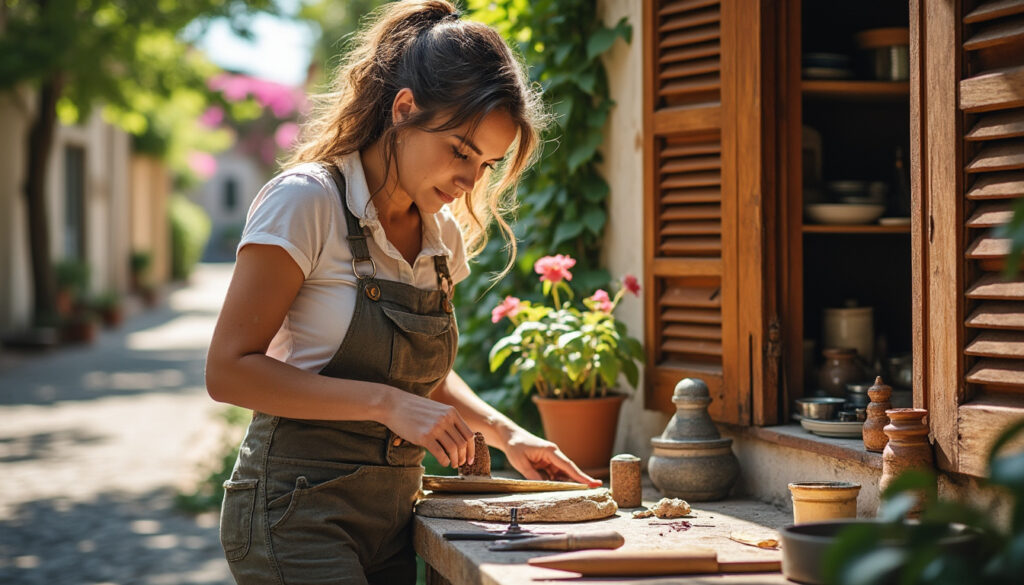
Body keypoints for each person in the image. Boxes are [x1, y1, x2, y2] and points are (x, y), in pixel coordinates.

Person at [205, 2, 600, 584]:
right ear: (405, 108)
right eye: (461, 151)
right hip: (293, 514)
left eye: (486, 164)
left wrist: (507, 432)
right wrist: (386, 404)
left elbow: (424, 381)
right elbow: (229, 371)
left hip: (394, 519)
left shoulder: (441, 237)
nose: (470, 180)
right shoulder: (307, 201)